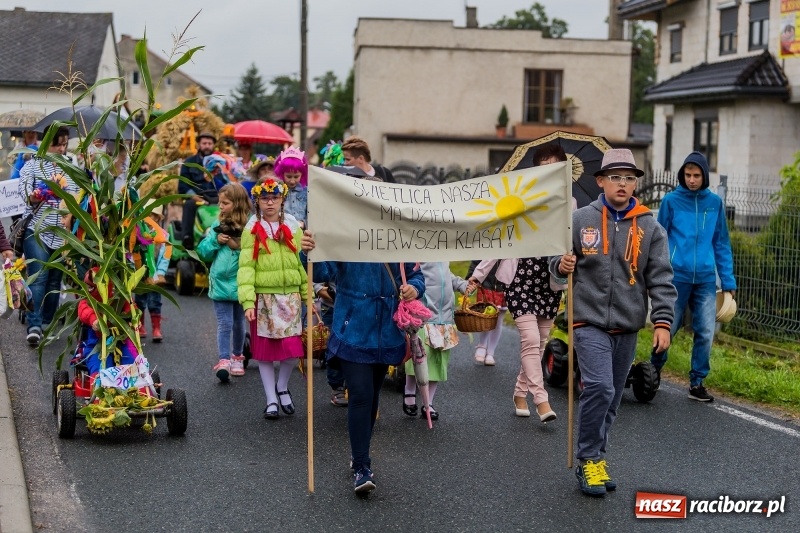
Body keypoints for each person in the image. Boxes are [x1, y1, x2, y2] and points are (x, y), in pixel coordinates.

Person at [552, 148, 676, 496]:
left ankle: (598, 456)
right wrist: (560, 266)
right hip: (587, 321)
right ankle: (588, 459)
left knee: (613, 399)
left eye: (629, 177)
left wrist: (663, 322)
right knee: (601, 389)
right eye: (616, 177)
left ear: (636, 182)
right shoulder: (580, 220)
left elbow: (662, 278)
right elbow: (556, 264)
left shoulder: (650, 226)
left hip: (628, 324)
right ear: (601, 181)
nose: (623, 183)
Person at [300, 231, 425, 494]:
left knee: (373, 398)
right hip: (353, 329)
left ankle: (359, 454)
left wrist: (414, 288)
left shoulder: (396, 236)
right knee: (360, 395)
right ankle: (362, 466)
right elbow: (322, 270)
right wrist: (309, 251)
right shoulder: (346, 235)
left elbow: (416, 275)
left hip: (386, 333)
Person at [650, 152, 736, 402]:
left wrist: (728, 282)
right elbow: (660, 239)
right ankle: (654, 371)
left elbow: (721, 243)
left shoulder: (715, 203)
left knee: (706, 331)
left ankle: (697, 382)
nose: (691, 180)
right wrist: (656, 274)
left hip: (707, 279)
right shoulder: (671, 201)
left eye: (696, 175)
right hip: (676, 277)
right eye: (687, 175)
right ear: (682, 175)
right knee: (668, 327)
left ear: (704, 176)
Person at [238, 177, 307, 419]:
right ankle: (270, 399)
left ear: (282, 200)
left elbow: (300, 261)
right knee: (266, 353)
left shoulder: (293, 227)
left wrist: (307, 292)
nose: (270, 203)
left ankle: (282, 386)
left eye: (275, 198)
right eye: (265, 198)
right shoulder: (251, 229)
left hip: (290, 297)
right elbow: (246, 267)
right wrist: (248, 301)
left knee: (292, 351)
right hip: (264, 298)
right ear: (257, 201)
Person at [18, 125, 79, 346]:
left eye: (65, 144)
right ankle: (34, 325)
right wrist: (34, 196)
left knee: (55, 280)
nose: (62, 149)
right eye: (58, 144)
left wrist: (70, 211)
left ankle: (45, 322)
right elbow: (24, 192)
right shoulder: (32, 166)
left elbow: (76, 195)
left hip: (61, 232)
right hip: (37, 229)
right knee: (39, 275)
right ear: (47, 144)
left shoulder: (71, 167)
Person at [198, 183, 251, 382]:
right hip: (220, 281)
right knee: (224, 322)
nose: (220, 206)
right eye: (220, 202)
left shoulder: (249, 227)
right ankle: (223, 360)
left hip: (240, 281)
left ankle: (237, 356)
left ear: (236, 204)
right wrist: (215, 241)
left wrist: (236, 246)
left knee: (239, 322)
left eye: (225, 203)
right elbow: (203, 252)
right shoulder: (216, 226)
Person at [403, 262, 468, 421]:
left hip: (445, 319)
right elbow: (413, 276)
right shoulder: (421, 257)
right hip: (425, 317)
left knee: (438, 363)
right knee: (418, 358)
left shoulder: (443, 258)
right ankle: (409, 391)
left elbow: (447, 277)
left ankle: (428, 403)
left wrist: (462, 285)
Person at [134, 203, 171, 343]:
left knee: (155, 301)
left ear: (157, 218)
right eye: (147, 215)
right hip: (142, 273)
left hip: (155, 274)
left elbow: (166, 256)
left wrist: (160, 273)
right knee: (140, 300)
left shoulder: (163, 236)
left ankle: (156, 328)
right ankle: (141, 326)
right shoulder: (138, 234)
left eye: (152, 215)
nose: (149, 218)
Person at [179, 132, 218, 249]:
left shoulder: (220, 163)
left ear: (214, 145)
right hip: (198, 197)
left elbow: (227, 182)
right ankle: (187, 238)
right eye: (204, 143)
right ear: (199, 145)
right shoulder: (189, 163)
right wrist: (194, 196)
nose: (207, 146)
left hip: (218, 197)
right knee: (189, 205)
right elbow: (183, 185)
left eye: (209, 143)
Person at [465, 259, 506, 366]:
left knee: (499, 319)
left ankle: (490, 353)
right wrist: (471, 275)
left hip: (504, 285)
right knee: (486, 315)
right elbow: (478, 259)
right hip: (486, 283)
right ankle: (482, 345)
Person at [274, 147, 308, 229]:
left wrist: (304, 223)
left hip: (302, 233)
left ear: (302, 174)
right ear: (282, 174)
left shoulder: (307, 191)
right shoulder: (277, 191)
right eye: (288, 176)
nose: (292, 181)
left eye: (296, 177)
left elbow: (312, 213)